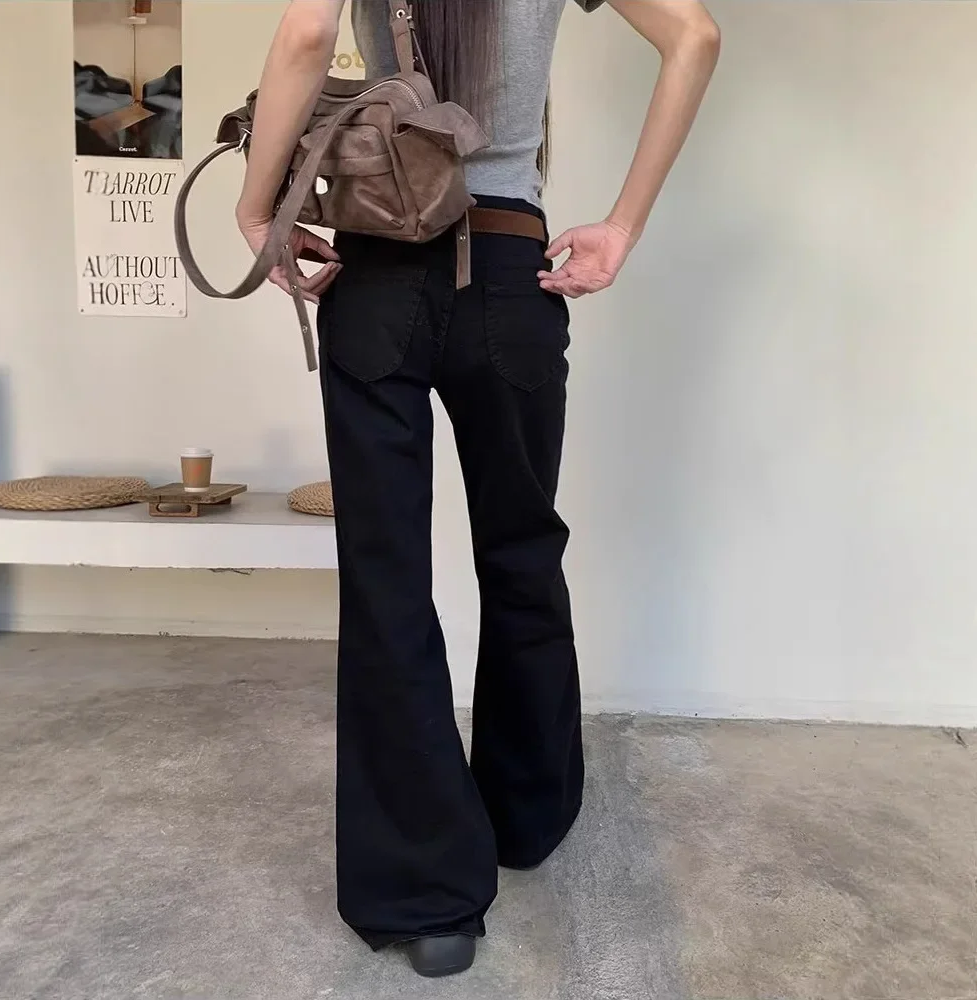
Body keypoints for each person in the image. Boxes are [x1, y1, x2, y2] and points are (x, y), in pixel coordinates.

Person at [235, 0, 719, 979]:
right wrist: (621, 227)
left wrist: (256, 209)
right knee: (522, 551)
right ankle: (527, 813)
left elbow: (302, 37)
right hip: (510, 270)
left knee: (388, 582)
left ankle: (428, 901)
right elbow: (694, 36)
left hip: (380, 270)